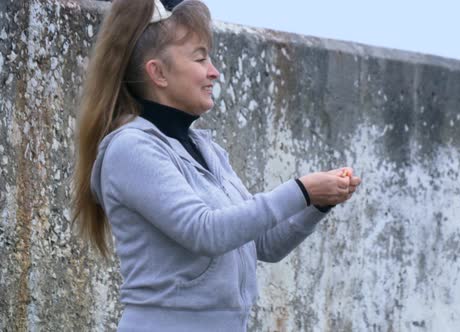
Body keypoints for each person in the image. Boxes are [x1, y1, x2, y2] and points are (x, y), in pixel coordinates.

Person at [71, 0, 361, 331]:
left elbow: (263, 243)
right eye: (200, 57)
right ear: (158, 72)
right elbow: (206, 231)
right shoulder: (131, 148)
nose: (214, 71)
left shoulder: (204, 148)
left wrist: (317, 202)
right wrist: (301, 190)